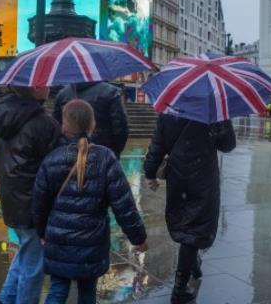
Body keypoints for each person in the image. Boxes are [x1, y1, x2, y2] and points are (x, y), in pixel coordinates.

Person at [33, 99, 148, 304]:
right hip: (92, 242)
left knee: (58, 289)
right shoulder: (105, 158)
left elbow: (39, 203)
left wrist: (42, 232)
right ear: (93, 124)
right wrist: (138, 237)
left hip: (58, 240)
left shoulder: (51, 159)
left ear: (64, 125)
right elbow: (124, 205)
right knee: (87, 291)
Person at [143, 115, 236, 304]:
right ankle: (179, 287)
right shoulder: (214, 112)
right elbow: (228, 145)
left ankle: (193, 265)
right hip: (204, 176)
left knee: (186, 223)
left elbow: (157, 144)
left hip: (178, 175)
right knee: (195, 227)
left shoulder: (168, 112)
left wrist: (150, 172)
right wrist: (222, 122)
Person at [0, 86, 61, 304]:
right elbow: (56, 166)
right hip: (33, 203)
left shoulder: (4, 115)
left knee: (26, 252)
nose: (49, 87)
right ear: (35, 87)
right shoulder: (43, 123)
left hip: (12, 197)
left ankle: (6, 298)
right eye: (45, 83)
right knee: (34, 266)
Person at [53, 82, 129, 158]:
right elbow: (121, 127)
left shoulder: (62, 94)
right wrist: (114, 151)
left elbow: (56, 127)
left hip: (68, 153)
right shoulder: (111, 92)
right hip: (104, 152)